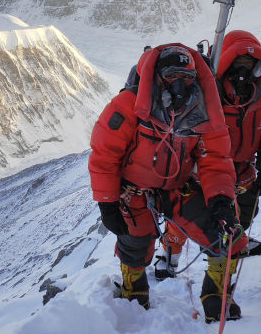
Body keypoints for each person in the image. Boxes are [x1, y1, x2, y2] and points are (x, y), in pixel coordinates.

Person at [89, 43, 247, 311]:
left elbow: (215, 160)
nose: (180, 84)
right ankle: (134, 293)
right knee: (134, 242)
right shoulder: (128, 106)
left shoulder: (205, 113)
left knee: (226, 235)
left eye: (187, 77)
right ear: (157, 77)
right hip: (133, 190)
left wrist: (220, 199)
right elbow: (105, 155)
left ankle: (216, 296)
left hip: (177, 186)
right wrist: (107, 201)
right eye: (172, 76)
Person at [156, 30, 261, 321]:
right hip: (203, 171)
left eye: (250, 63)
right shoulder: (207, 94)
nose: (243, 71)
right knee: (187, 221)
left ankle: (216, 291)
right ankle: (170, 255)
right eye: (237, 62)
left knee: (234, 229)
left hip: (242, 173)